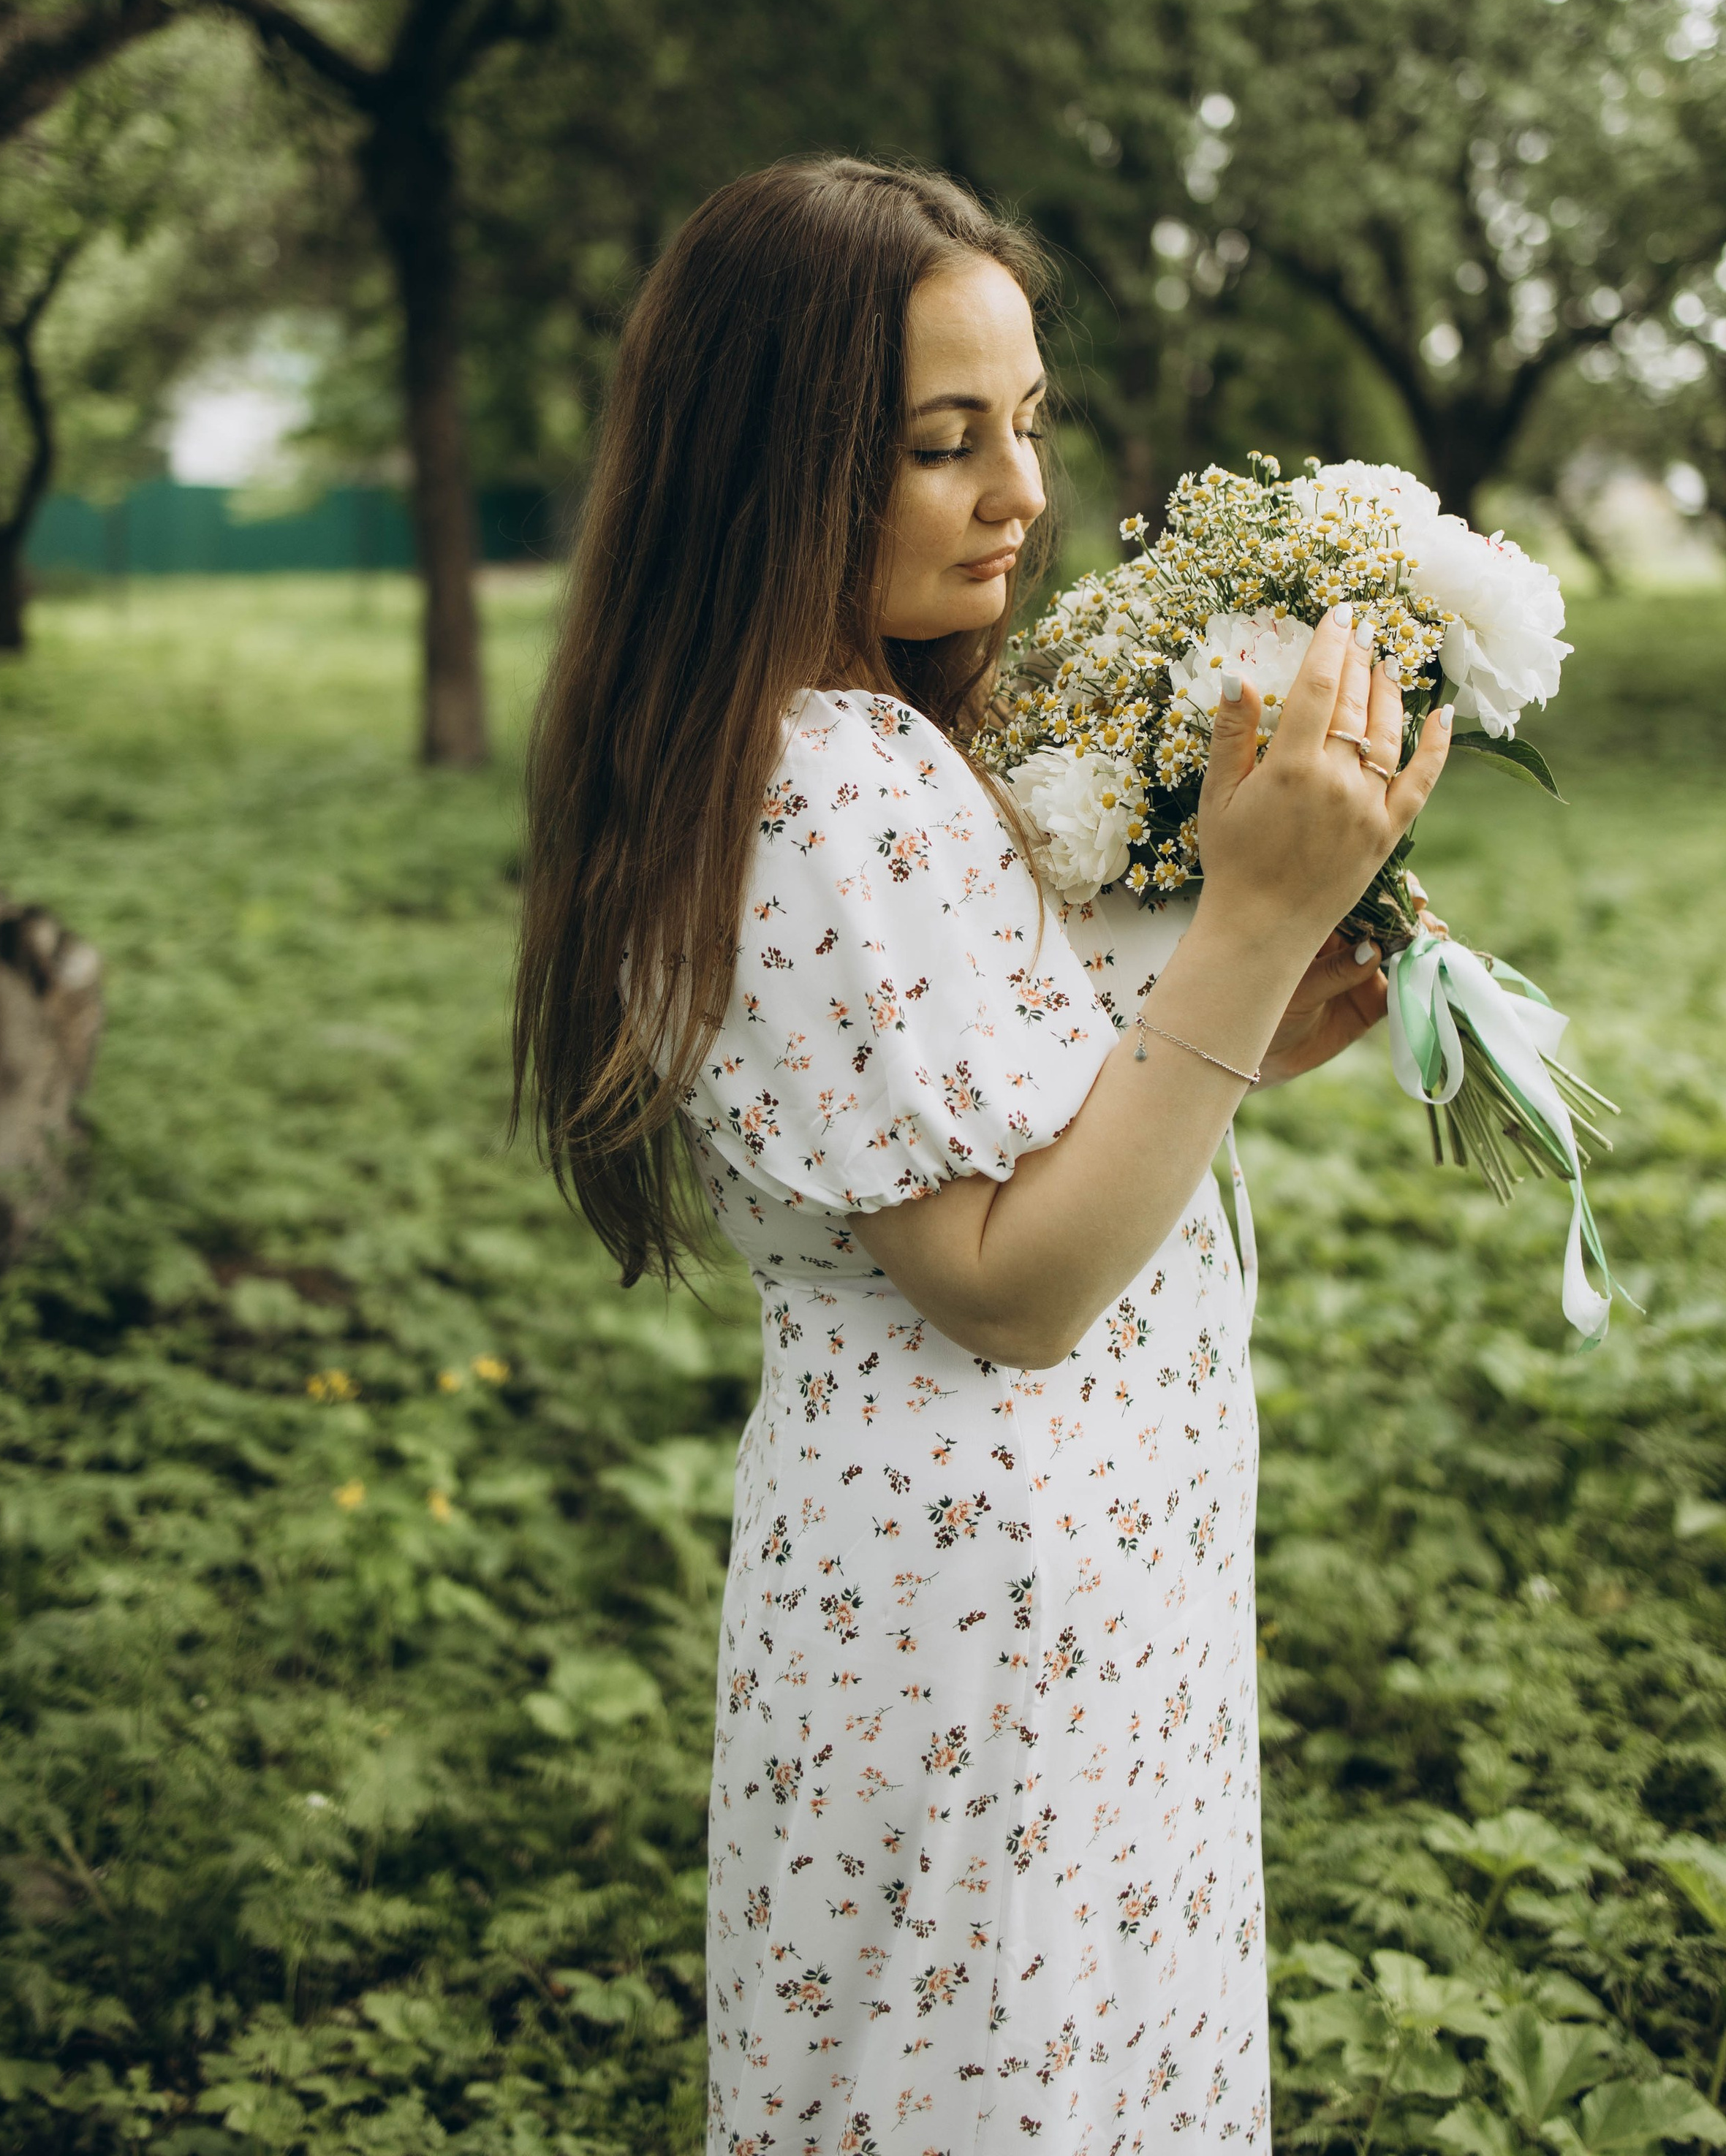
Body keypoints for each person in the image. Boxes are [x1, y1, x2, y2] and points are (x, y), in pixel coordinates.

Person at [514, 158, 1450, 2156]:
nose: (1021, 490)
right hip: (989, 1617)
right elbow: (1009, 1285)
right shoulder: (830, 776)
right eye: (945, 445)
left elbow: (968, 1137)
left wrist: (1214, 1054)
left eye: (1023, 424)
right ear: (773, 466)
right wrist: (1253, 918)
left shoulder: (842, 740)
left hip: (1033, 1592)